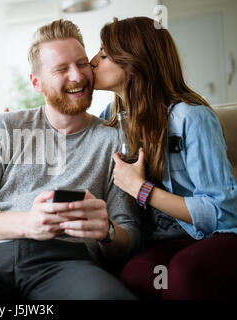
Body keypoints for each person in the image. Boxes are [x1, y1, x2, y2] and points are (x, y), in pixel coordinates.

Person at [0, 19, 142, 300]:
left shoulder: (113, 139)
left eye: (82, 64)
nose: (77, 76)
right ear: (37, 82)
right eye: (61, 69)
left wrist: (106, 231)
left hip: (67, 262)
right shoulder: (5, 127)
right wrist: (28, 223)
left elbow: (130, 234)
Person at [89, 16, 237, 299]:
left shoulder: (192, 118)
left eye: (104, 54)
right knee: (135, 275)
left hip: (216, 235)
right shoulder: (111, 117)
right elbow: (73, 140)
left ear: (134, 62)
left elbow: (223, 212)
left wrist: (142, 190)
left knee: (183, 272)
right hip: (159, 242)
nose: (92, 61)